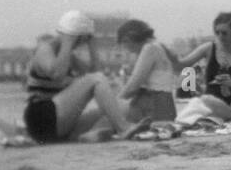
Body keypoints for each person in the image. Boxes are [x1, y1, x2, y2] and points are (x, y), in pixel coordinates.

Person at [18, 11, 150, 143]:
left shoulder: (68, 56)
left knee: (118, 107)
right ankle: (123, 129)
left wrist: (92, 44)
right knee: (96, 79)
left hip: (57, 122)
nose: (81, 43)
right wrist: (67, 41)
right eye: (82, 39)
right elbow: (57, 74)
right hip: (42, 117)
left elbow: (97, 73)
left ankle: (86, 136)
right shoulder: (45, 50)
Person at [172, 12, 231, 122]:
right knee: (205, 100)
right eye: (217, 33)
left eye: (224, 33)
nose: (220, 36)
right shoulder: (209, 48)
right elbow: (182, 65)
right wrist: (167, 56)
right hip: (212, 104)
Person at [116, 19, 178, 122]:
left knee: (106, 116)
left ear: (128, 39)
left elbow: (133, 86)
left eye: (124, 43)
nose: (125, 48)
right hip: (162, 106)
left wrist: (113, 103)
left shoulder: (150, 48)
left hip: (155, 107)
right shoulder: (156, 47)